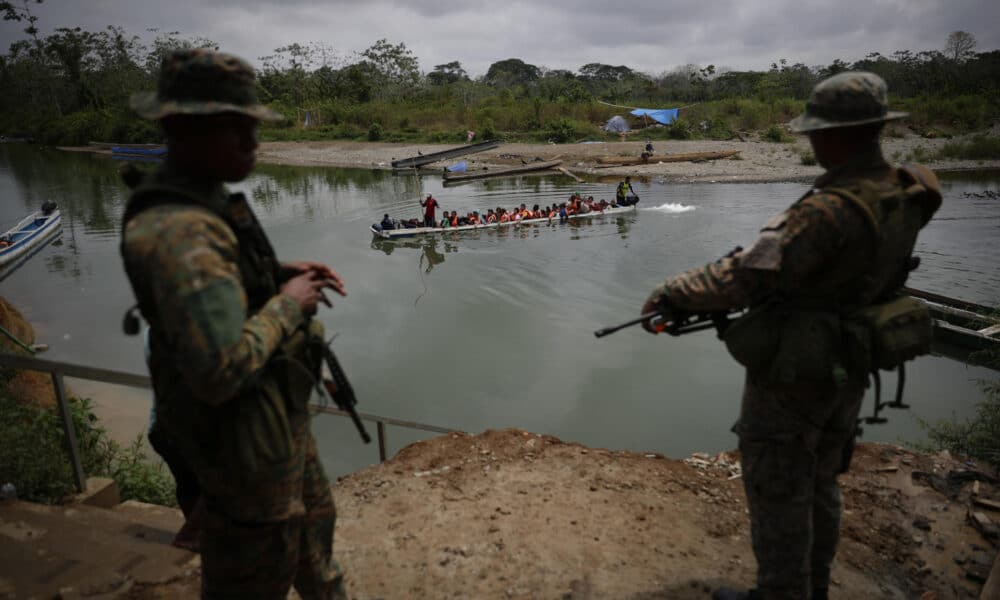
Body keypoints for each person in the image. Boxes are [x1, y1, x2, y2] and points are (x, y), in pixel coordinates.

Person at [639, 72, 941, 600]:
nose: (813, 144)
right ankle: (812, 588)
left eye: (818, 134)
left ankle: (781, 592)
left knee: (779, 486)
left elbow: (744, 278)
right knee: (821, 480)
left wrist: (672, 290)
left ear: (837, 135)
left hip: (798, 370)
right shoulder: (906, 191)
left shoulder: (827, 210)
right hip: (852, 360)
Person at [119, 48, 349, 599]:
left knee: (317, 555)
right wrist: (289, 301)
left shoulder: (205, 203)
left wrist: (272, 272)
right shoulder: (180, 234)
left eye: (252, 127)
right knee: (251, 578)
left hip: (275, 427)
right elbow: (219, 371)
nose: (253, 142)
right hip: (240, 457)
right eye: (234, 128)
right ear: (180, 129)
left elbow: (224, 286)